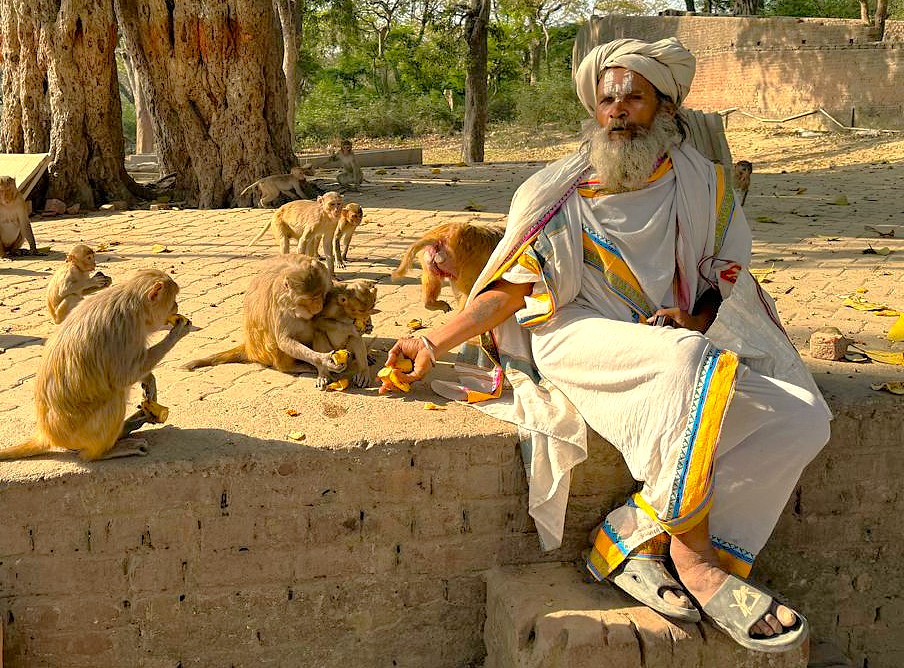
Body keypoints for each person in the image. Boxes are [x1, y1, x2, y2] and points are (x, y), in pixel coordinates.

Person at [385, 37, 831, 653]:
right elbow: (511, 292)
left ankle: (623, 537)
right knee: (688, 364)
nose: (617, 110)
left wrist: (693, 320)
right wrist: (430, 339)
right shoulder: (561, 193)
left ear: (665, 110)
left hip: (673, 341)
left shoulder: (704, 186)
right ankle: (696, 559)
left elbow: (726, 279)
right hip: (577, 338)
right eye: (607, 99)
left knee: (801, 417)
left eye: (634, 98)